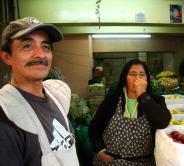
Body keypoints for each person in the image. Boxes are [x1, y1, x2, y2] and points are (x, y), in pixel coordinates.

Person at [0, 17, 79, 166]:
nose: (41, 55)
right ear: (7, 57)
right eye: (27, 46)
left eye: (46, 47)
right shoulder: (6, 114)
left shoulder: (56, 96)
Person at [88, 59, 171, 165]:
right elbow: (94, 128)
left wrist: (143, 95)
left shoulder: (156, 100)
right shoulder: (112, 100)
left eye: (142, 74)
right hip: (111, 162)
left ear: (147, 79)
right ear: (125, 78)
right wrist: (100, 151)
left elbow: (162, 122)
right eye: (132, 74)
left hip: (143, 163)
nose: (138, 78)